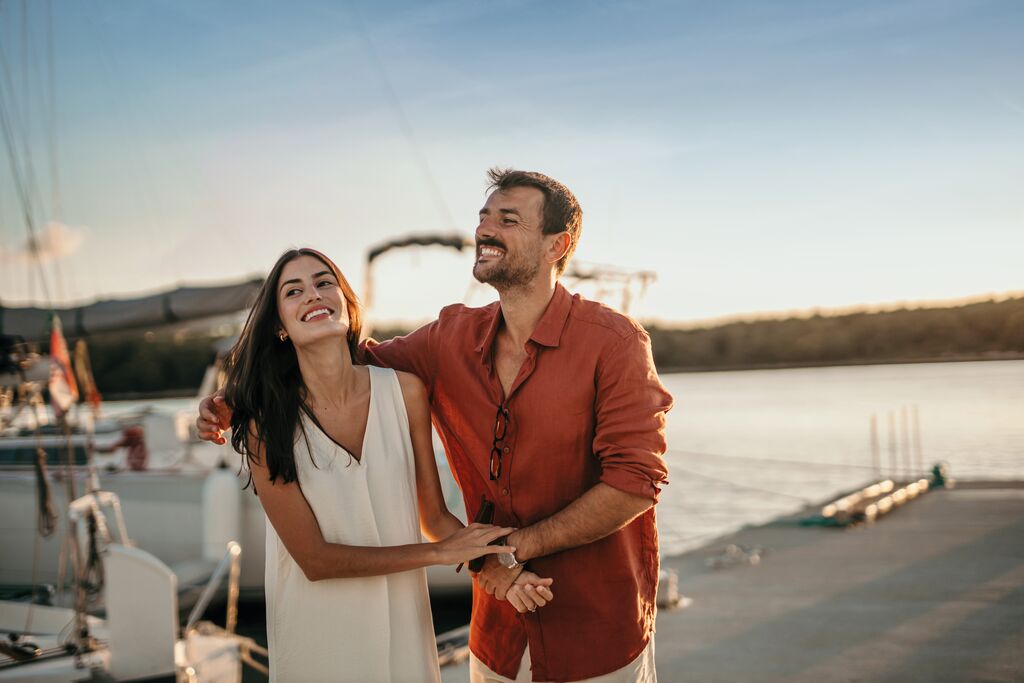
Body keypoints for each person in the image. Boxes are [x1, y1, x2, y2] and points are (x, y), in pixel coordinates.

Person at [200, 170, 672, 682]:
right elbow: (342, 358)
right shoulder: (448, 339)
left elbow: (634, 485)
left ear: (557, 244)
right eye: (483, 217)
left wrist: (509, 550)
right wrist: (237, 396)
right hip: (497, 637)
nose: (485, 230)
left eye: (507, 220)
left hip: (596, 632)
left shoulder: (615, 342)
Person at [216, 247, 552, 682]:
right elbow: (314, 560)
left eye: (323, 283)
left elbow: (433, 517)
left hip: (402, 625)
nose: (313, 296)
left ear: (346, 302)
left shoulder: (405, 392)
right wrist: (438, 554)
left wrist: (504, 571)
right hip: (318, 636)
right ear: (279, 326)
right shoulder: (266, 423)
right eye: (293, 291)